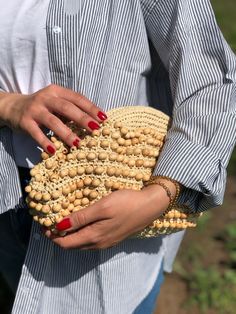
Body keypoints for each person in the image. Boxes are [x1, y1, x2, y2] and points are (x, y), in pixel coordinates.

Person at [0, 0, 235, 313]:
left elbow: (213, 80)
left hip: (117, 201)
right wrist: (7, 105)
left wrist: (162, 194)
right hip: (7, 195)